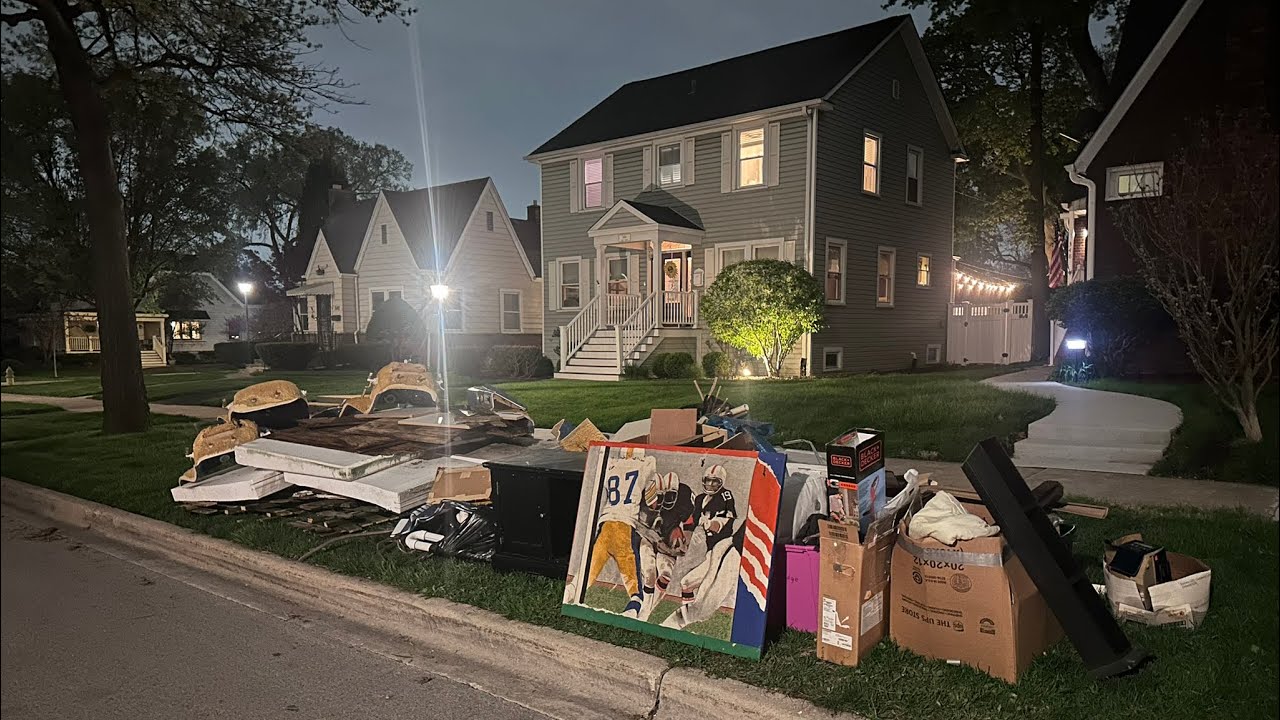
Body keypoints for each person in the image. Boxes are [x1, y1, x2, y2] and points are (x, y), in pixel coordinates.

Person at [662, 464, 742, 630]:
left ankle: (686, 620)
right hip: (711, 552)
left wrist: (708, 522)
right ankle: (690, 623)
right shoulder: (699, 499)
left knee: (707, 597)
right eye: (708, 481)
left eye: (715, 482)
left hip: (723, 548)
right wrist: (685, 544)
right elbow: (692, 526)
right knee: (686, 583)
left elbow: (718, 525)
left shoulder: (725, 496)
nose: (711, 485)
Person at [586, 448, 655, 617]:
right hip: (625, 525)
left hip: (606, 523)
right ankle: (633, 606)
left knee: (587, 573)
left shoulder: (610, 465)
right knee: (634, 586)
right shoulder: (647, 463)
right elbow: (651, 499)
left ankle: (573, 595)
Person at [634, 471, 695, 621]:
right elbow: (641, 528)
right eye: (660, 496)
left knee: (666, 575)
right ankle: (643, 606)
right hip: (648, 537)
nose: (665, 501)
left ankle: (647, 611)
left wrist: (685, 542)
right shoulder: (644, 499)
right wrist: (661, 544)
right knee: (649, 574)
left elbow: (689, 523)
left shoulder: (683, 498)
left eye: (670, 496)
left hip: (668, 537)